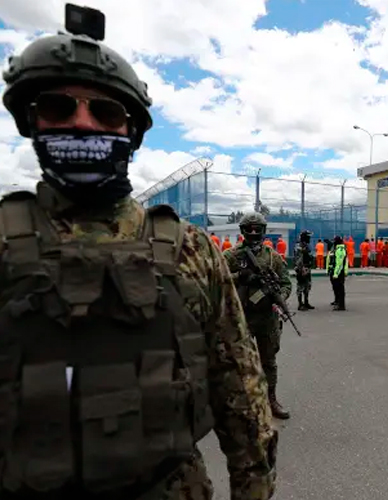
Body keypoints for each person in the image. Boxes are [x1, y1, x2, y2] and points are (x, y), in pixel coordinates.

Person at [0, 7, 277, 498]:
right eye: (59, 108)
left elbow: (238, 388)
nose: (82, 125)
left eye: (105, 113)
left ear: (132, 132)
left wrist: (252, 486)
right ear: (30, 120)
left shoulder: (192, 250)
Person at [224, 212, 292, 420]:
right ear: (243, 231)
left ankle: (270, 400)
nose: (253, 233)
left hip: (266, 318)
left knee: (269, 361)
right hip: (241, 317)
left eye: (257, 229)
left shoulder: (273, 257)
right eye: (249, 229)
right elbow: (218, 281)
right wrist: (241, 277)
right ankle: (241, 404)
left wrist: (278, 297)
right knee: (239, 362)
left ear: (264, 231)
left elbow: (286, 283)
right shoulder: (231, 256)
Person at [294, 230, 315, 311]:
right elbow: (298, 259)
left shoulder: (306, 245)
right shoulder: (299, 245)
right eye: (308, 237)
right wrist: (300, 269)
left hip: (307, 268)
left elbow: (309, 255)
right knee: (300, 286)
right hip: (301, 268)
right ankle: (300, 304)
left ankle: (306, 302)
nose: (309, 238)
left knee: (307, 286)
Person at [328, 236, 348, 310]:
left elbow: (339, 264)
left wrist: (336, 274)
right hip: (335, 271)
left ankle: (341, 305)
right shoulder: (335, 249)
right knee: (336, 288)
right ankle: (338, 303)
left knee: (340, 289)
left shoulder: (340, 249)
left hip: (339, 273)